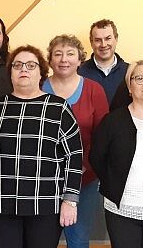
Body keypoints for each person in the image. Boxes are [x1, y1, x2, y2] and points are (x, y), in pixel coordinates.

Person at [0, 44, 83, 248]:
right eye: (18, 65)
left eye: (31, 65)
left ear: (41, 72)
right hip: (0, 205)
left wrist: (70, 201)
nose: (23, 69)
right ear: (10, 72)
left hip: (46, 206)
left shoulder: (59, 109)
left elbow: (74, 158)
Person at [42, 34, 109, 248]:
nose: (64, 59)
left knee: (78, 238)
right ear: (50, 60)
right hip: (43, 181)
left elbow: (102, 137)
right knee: (41, 238)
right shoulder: (39, 87)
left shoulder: (94, 90)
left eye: (70, 54)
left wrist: (83, 166)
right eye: (58, 54)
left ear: (80, 60)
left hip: (84, 179)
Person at [90, 60, 143, 248]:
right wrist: (113, 180)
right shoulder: (113, 121)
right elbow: (97, 157)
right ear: (129, 86)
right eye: (139, 78)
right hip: (122, 210)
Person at [78, 19, 131, 110]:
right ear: (91, 42)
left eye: (108, 38)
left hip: (121, 124)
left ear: (116, 39)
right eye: (98, 40)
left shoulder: (129, 72)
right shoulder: (79, 72)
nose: (103, 44)